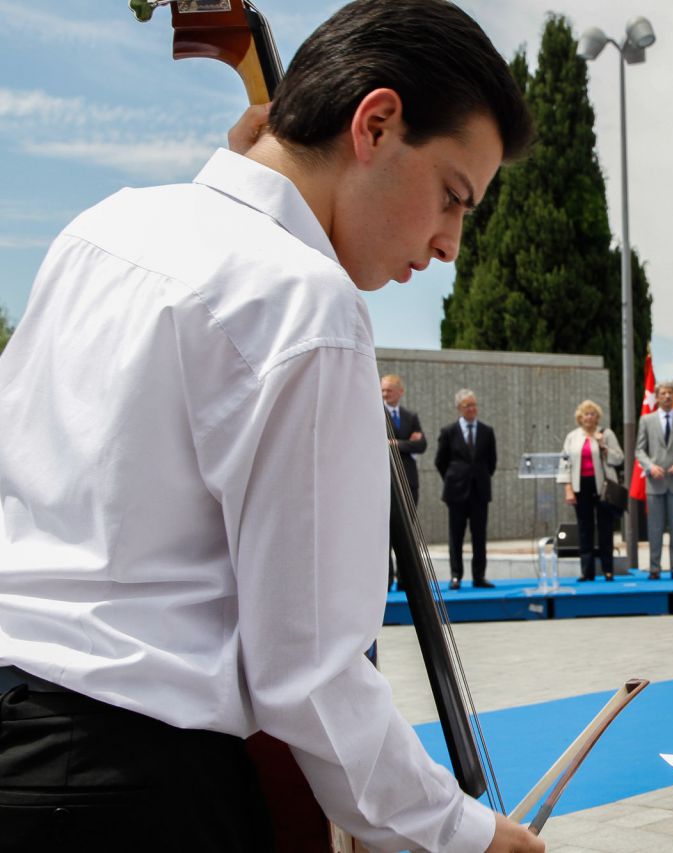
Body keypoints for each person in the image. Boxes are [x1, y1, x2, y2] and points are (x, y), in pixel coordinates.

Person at [0, 2, 541, 851]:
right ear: (377, 121)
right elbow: (310, 673)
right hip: (133, 791)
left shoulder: (100, 227)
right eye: (452, 196)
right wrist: (462, 832)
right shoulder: (306, 299)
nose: (451, 246)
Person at [434, 389, 497, 591]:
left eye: (474, 405)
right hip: (456, 492)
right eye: (467, 405)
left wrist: (480, 477)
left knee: (479, 535)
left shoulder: (487, 431)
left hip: (479, 491)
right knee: (456, 535)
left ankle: (479, 576)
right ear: (459, 408)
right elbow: (440, 461)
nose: (472, 409)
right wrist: (454, 478)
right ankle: (455, 576)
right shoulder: (449, 431)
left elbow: (492, 462)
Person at [635, 382, 673, 580]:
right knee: (655, 528)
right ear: (658, 397)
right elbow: (639, 450)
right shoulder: (646, 420)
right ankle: (655, 568)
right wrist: (650, 467)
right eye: (663, 393)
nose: (668, 396)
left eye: (670, 393)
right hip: (655, 482)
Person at [556, 400, 624, 582]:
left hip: (602, 487)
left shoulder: (606, 434)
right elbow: (564, 463)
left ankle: (608, 569)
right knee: (584, 529)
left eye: (592, 414)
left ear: (597, 417)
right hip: (581, 486)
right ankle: (587, 571)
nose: (589, 417)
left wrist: (604, 447)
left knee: (605, 528)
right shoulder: (573, 437)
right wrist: (568, 488)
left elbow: (619, 458)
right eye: (586, 414)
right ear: (580, 417)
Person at [384, 373, 426, 590]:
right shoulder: (376, 413)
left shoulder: (411, 416)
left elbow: (421, 445)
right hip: (385, 482)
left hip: (409, 481)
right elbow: (378, 444)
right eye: (383, 390)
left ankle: (405, 578)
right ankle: (387, 577)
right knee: (386, 533)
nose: (385, 393)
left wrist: (395, 444)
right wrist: (406, 443)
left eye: (389, 390)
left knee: (409, 531)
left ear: (400, 391)